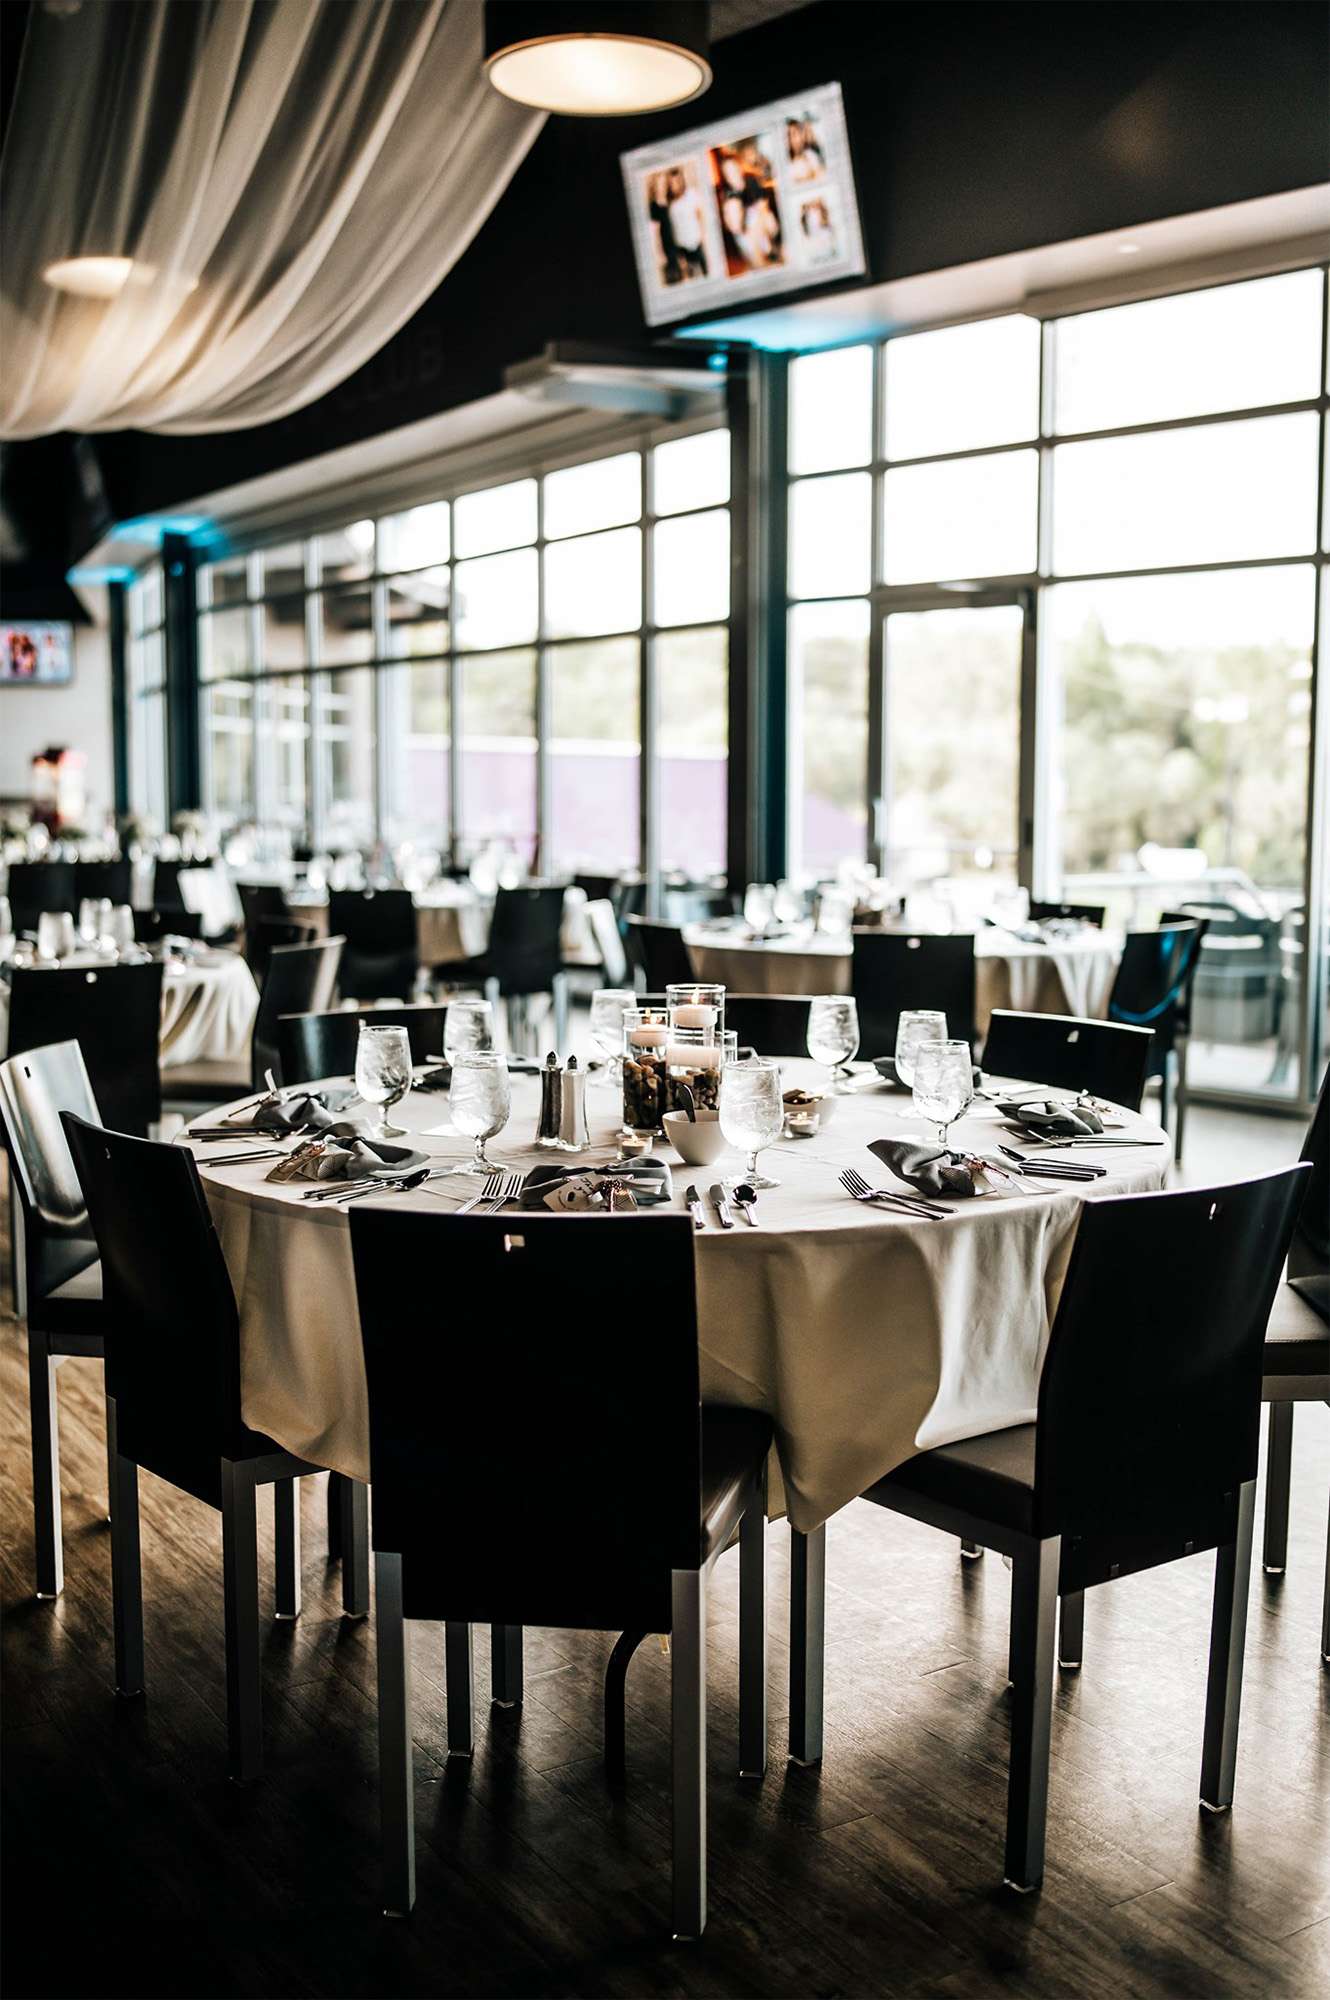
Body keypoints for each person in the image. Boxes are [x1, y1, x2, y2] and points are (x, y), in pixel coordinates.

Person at [667, 167, 707, 279]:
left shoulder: (691, 193)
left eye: (676, 180)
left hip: (696, 241)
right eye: (671, 182)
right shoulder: (670, 201)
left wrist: (703, 236)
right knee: (690, 275)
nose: (674, 184)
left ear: (681, 180)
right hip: (681, 245)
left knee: (704, 273)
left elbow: (701, 215)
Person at [647, 170, 681, 285]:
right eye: (659, 184)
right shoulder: (652, 206)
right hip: (666, 249)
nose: (662, 187)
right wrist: (660, 253)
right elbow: (654, 233)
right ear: (654, 186)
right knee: (672, 281)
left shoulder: (670, 201)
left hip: (678, 246)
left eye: (664, 183)